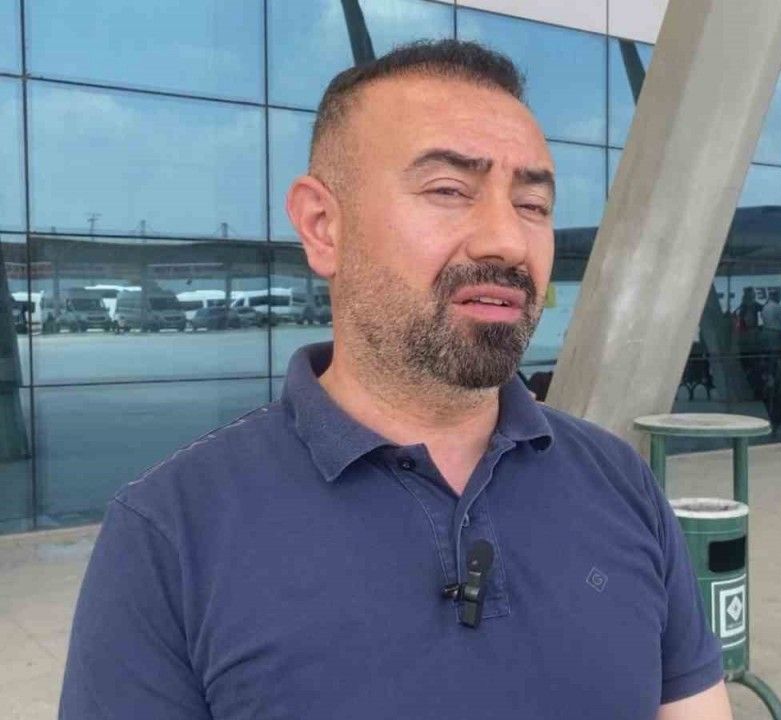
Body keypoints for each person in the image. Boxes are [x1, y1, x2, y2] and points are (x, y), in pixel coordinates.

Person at [59, 41, 731, 720]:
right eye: (449, 191)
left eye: (532, 204)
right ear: (323, 226)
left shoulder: (619, 480)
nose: (506, 241)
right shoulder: (170, 534)